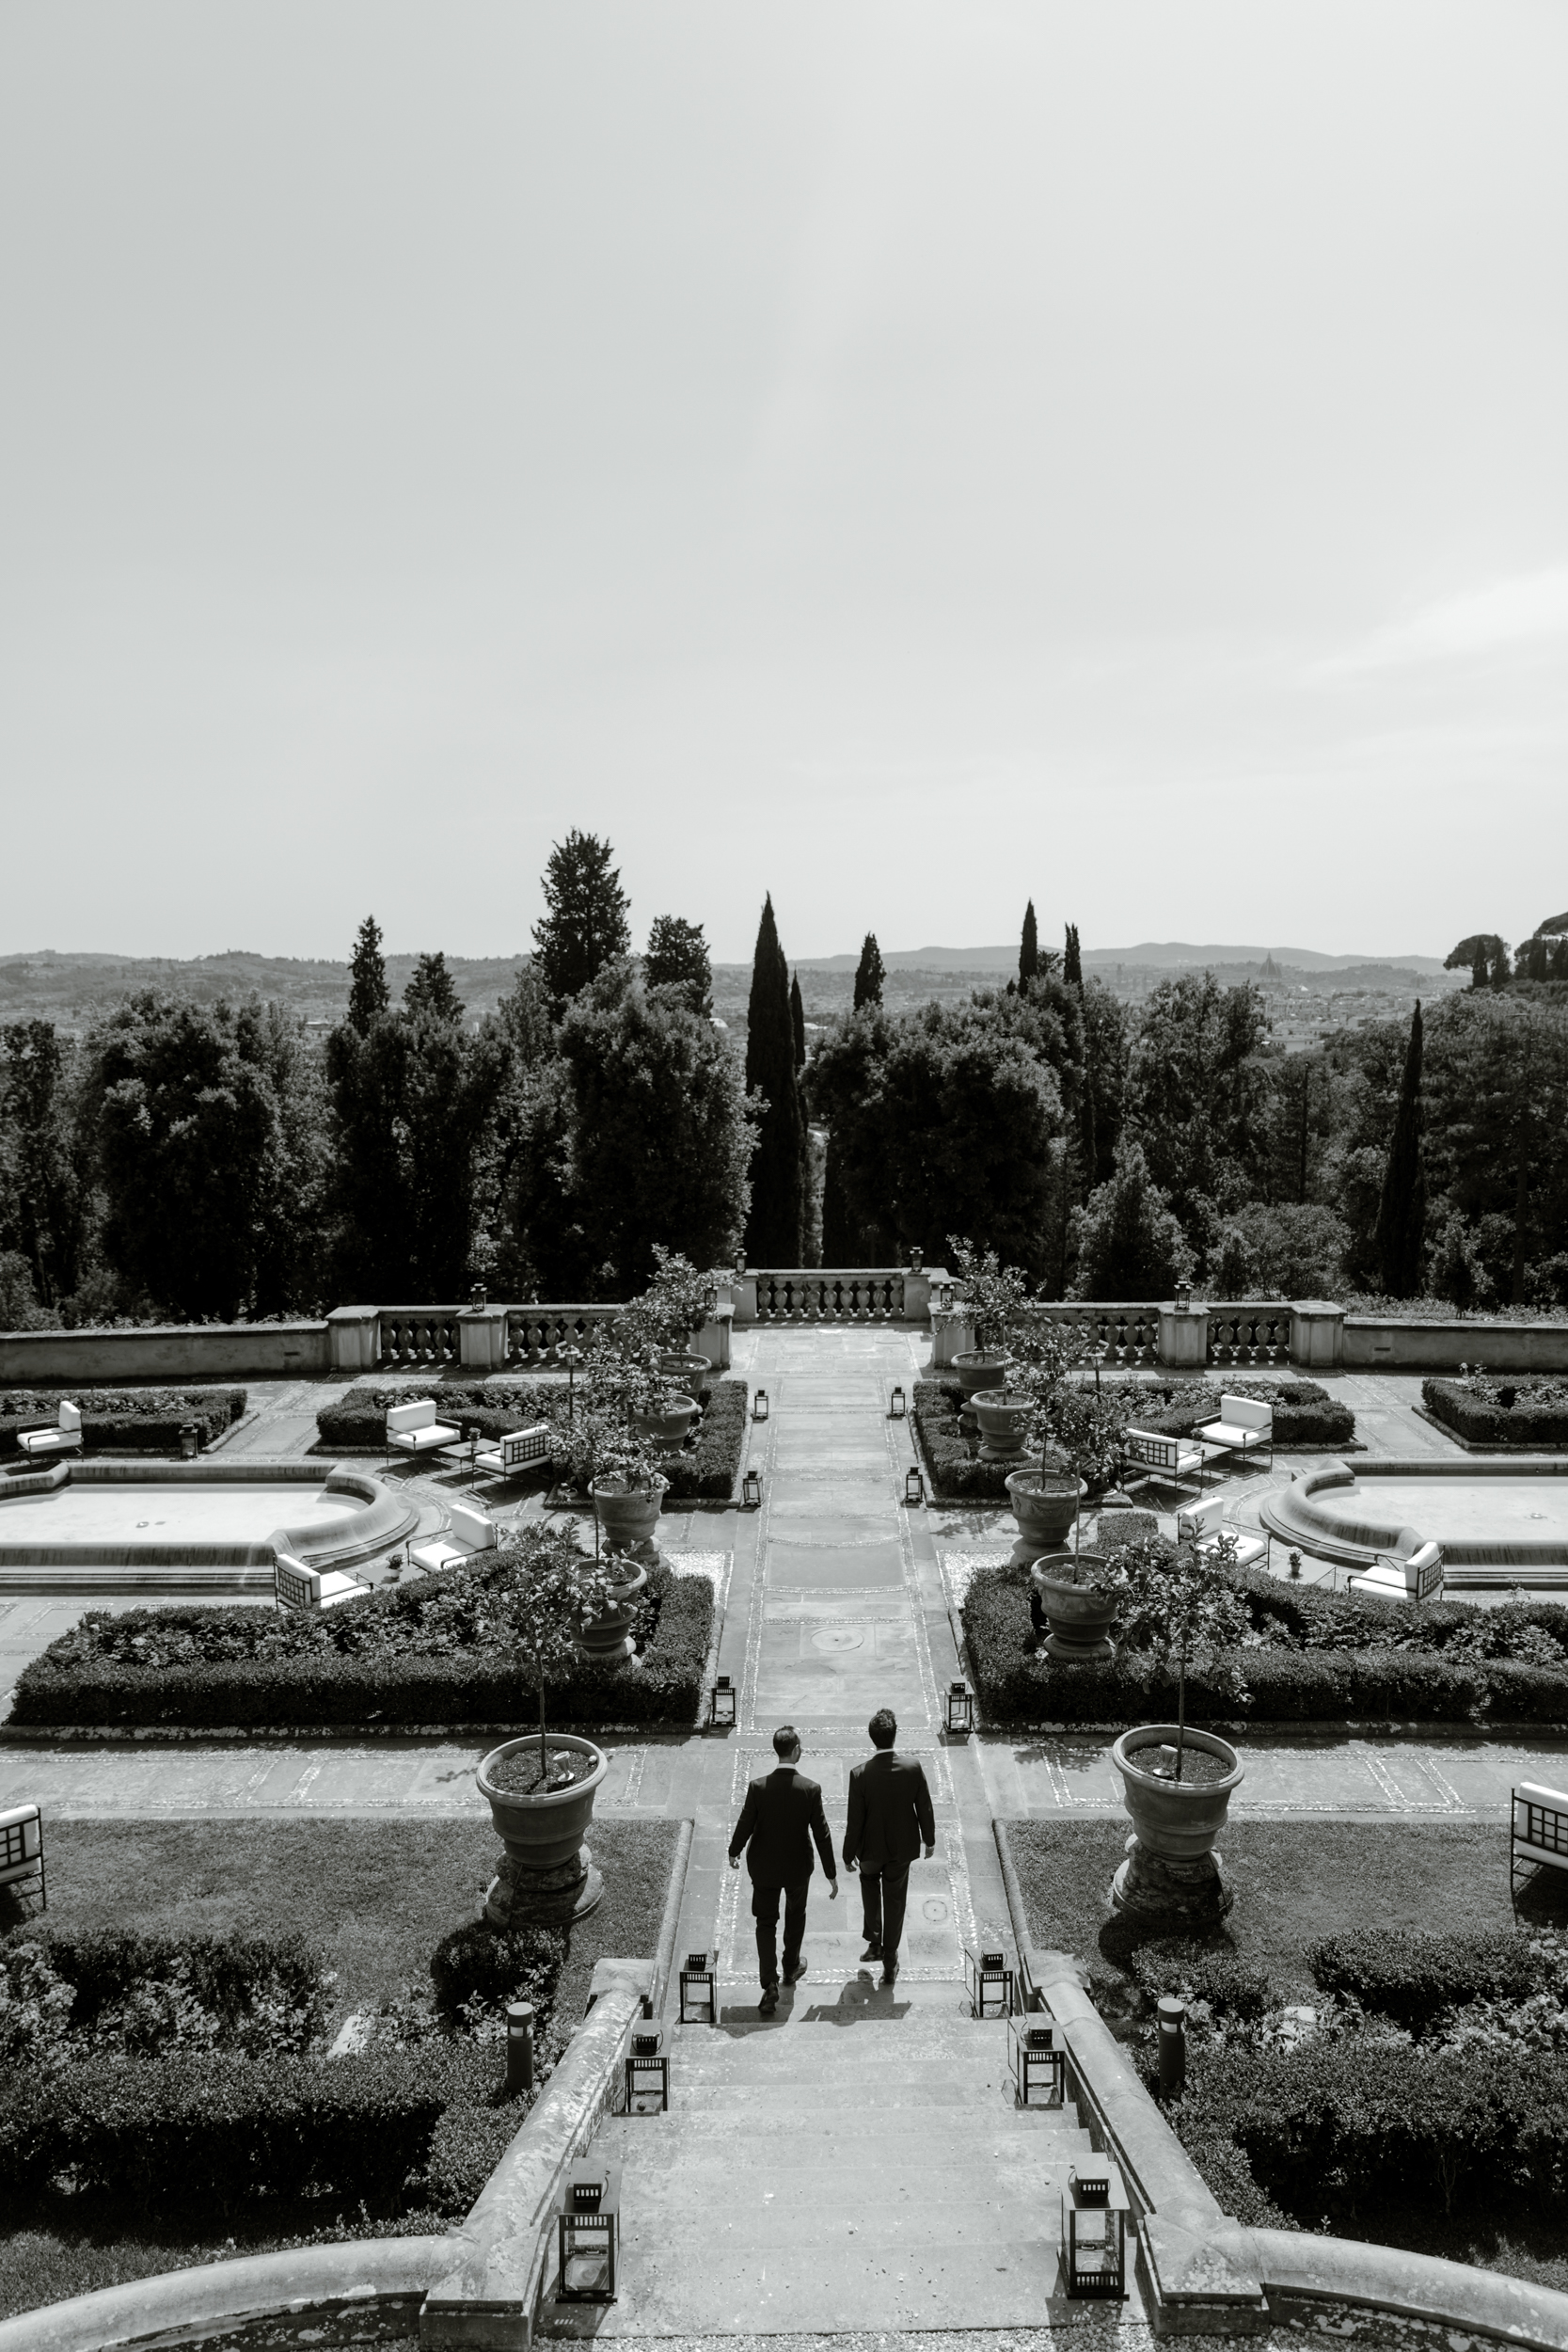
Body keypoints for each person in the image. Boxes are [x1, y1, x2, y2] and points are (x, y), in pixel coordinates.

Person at [728, 1724, 838, 2015]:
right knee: (795, 1914)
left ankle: (769, 1985)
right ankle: (790, 1969)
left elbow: (745, 1824)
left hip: (763, 1867)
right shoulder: (811, 1789)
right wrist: (831, 1873)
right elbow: (822, 1833)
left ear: (776, 1750)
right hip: (797, 1867)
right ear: (797, 1750)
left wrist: (733, 1850)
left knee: (765, 1922)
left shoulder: (758, 1787)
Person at [843, 1707, 935, 1988]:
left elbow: (855, 1821)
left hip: (870, 1850)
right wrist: (929, 1840)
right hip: (901, 1849)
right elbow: (924, 1808)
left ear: (872, 1738)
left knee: (869, 1885)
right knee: (895, 1900)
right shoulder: (913, 1767)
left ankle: (874, 1941)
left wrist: (848, 1854)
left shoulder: (860, 1774)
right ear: (895, 1736)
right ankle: (890, 1958)